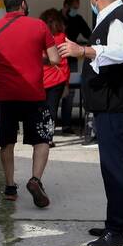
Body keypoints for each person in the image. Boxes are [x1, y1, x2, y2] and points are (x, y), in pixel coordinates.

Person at [58, 0, 123, 246]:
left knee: (115, 166)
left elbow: (120, 53)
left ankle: (116, 229)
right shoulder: (114, 16)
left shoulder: (119, 17)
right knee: (121, 164)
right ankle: (120, 221)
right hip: (113, 104)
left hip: (116, 105)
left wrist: (83, 50)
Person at [0, 0, 60, 207]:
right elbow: (54, 59)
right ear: (23, 4)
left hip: (6, 95)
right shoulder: (39, 26)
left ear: (6, 6)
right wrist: (35, 61)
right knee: (42, 139)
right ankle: (35, 180)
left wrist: (6, 68)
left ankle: (10, 186)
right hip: (34, 94)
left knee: (7, 142)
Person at [60, 0, 92, 135]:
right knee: (53, 92)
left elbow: (89, 34)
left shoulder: (77, 19)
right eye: (74, 8)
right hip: (54, 61)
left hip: (70, 60)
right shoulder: (55, 17)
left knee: (69, 93)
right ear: (65, 6)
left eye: (77, 9)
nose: (75, 11)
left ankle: (66, 125)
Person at [39, 9, 71, 147]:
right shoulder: (62, 37)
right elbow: (64, 64)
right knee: (52, 110)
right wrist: (67, 83)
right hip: (57, 80)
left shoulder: (40, 38)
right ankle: (49, 138)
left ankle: (41, 136)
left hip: (41, 79)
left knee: (41, 109)